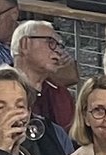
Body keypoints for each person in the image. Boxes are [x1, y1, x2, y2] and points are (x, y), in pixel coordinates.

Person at [9, 19, 78, 147]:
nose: (58, 51)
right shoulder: (2, 92)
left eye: (59, 45)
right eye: (50, 42)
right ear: (25, 44)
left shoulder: (61, 94)